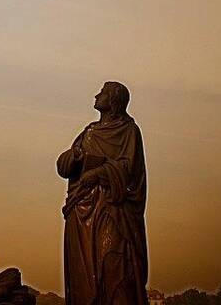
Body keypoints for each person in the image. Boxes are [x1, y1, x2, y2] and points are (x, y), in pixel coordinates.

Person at [57, 82, 148, 304]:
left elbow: (129, 169)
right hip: (81, 210)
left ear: (114, 100)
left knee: (114, 266)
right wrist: (75, 157)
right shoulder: (89, 132)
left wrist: (98, 173)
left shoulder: (129, 131)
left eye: (103, 93)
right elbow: (64, 167)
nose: (97, 95)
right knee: (84, 275)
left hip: (112, 209)